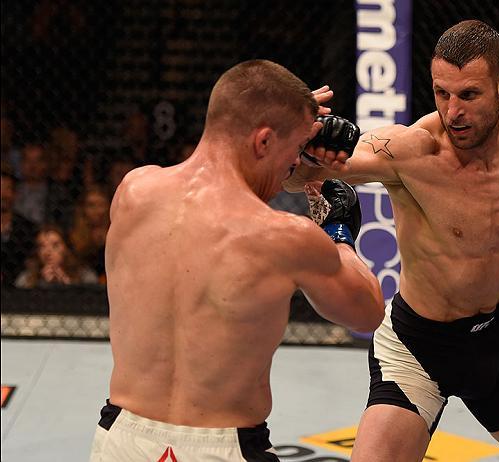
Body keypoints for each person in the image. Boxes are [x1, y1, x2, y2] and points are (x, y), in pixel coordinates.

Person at [286, 19, 499, 461]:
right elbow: (300, 179)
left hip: (492, 338)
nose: (453, 112)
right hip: (416, 346)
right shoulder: (411, 149)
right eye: (441, 93)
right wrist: (306, 144)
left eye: (469, 94)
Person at [89, 60, 384, 461]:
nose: (294, 167)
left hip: (119, 440)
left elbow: (220, 200)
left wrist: (287, 118)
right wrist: (337, 232)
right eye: (295, 151)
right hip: (223, 447)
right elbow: (367, 313)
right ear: (263, 142)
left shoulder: (133, 192)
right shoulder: (285, 237)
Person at [14, 223, 98, 288]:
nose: (47, 252)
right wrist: (42, 285)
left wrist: (67, 285)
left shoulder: (85, 275)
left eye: (55, 245)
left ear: (66, 248)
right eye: (42, 246)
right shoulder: (26, 278)